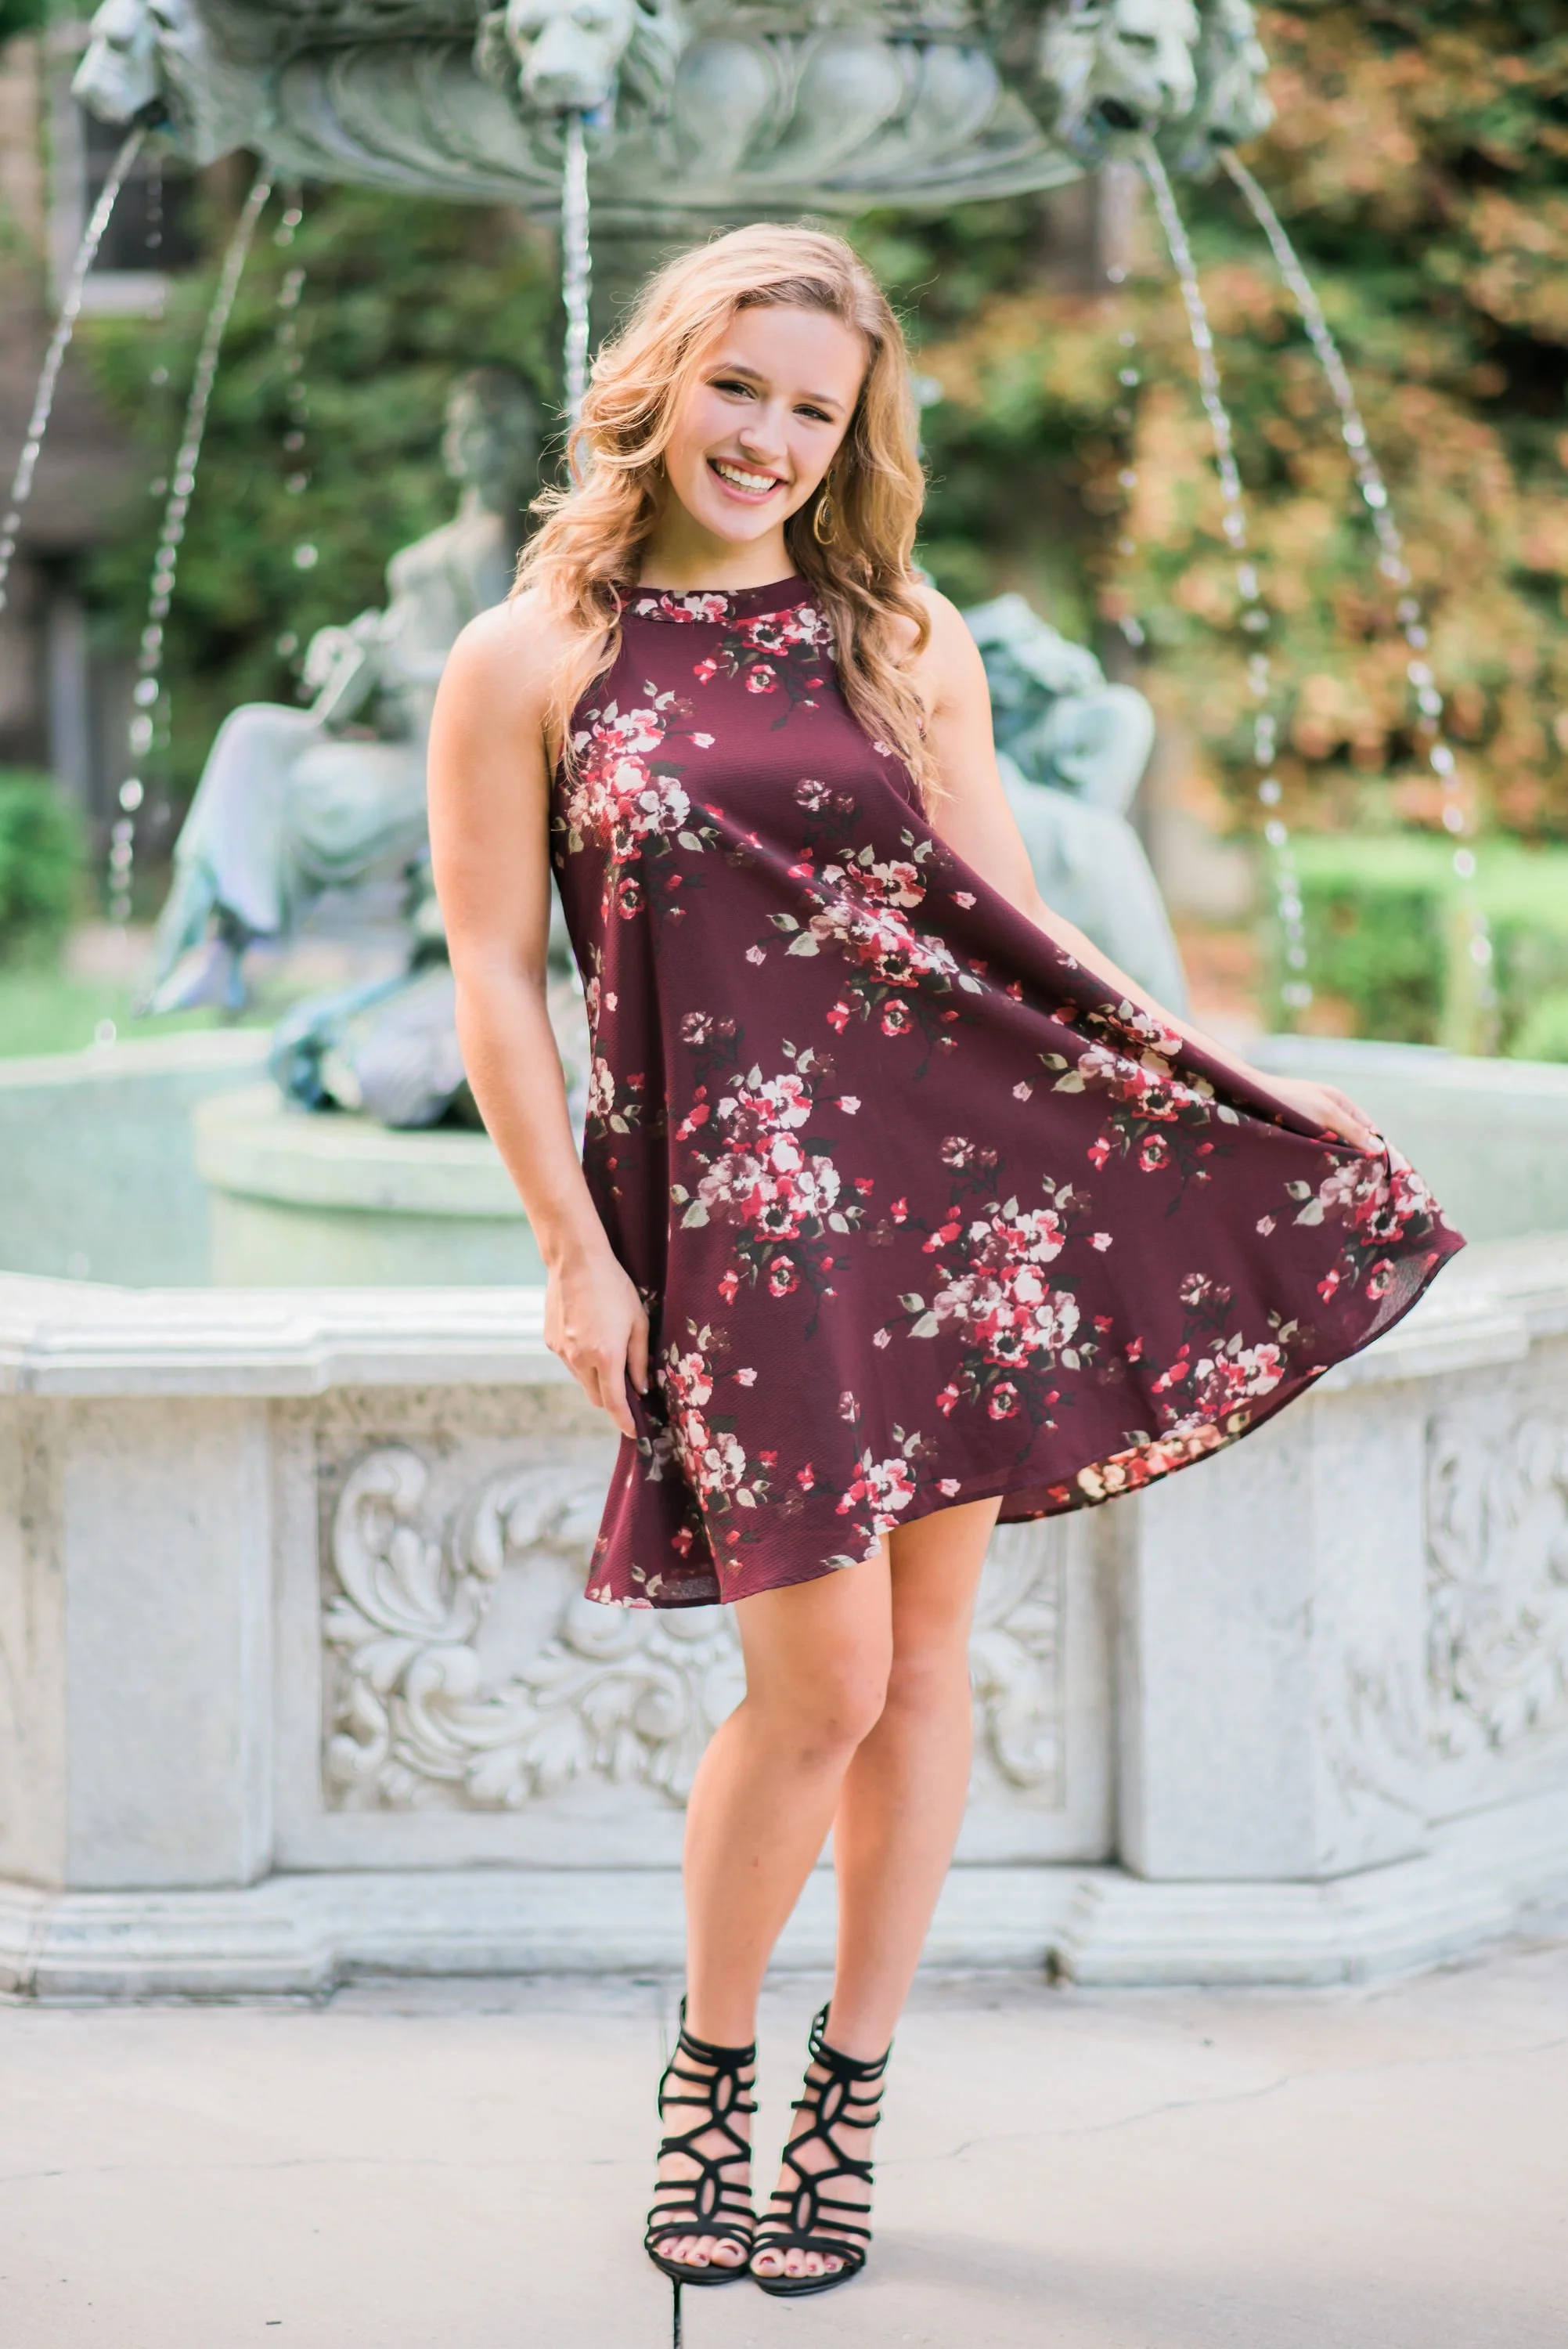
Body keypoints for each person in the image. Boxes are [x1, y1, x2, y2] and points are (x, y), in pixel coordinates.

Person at [427, 224, 1462, 2300]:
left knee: (914, 1671)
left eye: (811, 410)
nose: (768, 438)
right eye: (740, 387)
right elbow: (490, 978)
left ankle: (847, 2095)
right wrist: (574, 1256)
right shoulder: (529, 656)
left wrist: (1239, 1081)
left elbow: (1024, 934)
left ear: (851, 435)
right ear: (663, 381)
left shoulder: (898, 637)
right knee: (810, 1681)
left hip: (952, 1212)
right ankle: (709, 2077)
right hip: (736, 1238)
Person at [147, 366, 539, 1014]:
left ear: (517, 442)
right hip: (398, 735)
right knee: (252, 731)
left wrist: (400, 667)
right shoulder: (443, 544)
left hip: (445, 764)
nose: (463, 444)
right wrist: (349, 652)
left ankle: (222, 948)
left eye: (481, 430)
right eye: (459, 428)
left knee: (282, 760)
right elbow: (403, 647)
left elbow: (513, 667)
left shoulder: (493, 544)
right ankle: (214, 938)